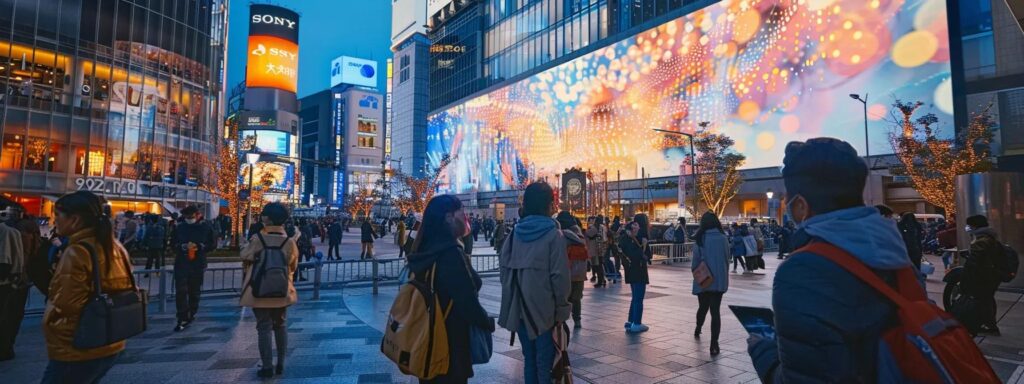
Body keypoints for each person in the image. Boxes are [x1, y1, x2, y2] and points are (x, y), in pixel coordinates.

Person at [747, 138, 914, 382]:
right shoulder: (895, 252)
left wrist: (762, 349)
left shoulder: (803, 270)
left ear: (801, 206)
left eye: (788, 198)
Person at [42, 191, 134, 383]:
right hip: (111, 338)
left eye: (57, 215)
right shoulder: (115, 247)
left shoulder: (78, 251)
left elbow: (66, 304)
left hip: (77, 346)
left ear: (74, 220)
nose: (54, 220)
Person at [407, 195, 494, 384]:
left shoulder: (424, 248)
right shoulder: (450, 253)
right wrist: (487, 322)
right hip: (450, 342)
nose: (465, 216)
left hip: (427, 337)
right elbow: (466, 300)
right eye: (461, 211)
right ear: (448, 217)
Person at [498, 182, 570, 384]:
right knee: (545, 363)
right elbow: (560, 278)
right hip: (545, 312)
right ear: (549, 205)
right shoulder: (554, 235)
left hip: (520, 310)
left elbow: (504, 271)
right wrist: (562, 308)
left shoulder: (514, 233)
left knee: (529, 360)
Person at [240, 203, 299, 378]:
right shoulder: (289, 242)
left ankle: (267, 365)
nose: (262, 217)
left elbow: (245, 255)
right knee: (280, 325)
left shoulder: (258, 239)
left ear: (269, 218)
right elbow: (293, 266)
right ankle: (280, 363)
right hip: (281, 290)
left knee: (263, 327)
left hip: (259, 290)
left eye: (264, 215)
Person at [171, 206, 215, 332]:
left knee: (194, 290)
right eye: (187, 217)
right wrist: (180, 246)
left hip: (198, 262)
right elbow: (172, 243)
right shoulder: (179, 227)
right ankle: (182, 316)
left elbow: (212, 244)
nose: (189, 219)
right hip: (182, 262)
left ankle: (192, 312)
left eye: (191, 217)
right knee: (181, 290)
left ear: (197, 215)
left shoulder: (205, 227)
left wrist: (202, 247)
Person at [691, 211, 730, 356]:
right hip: (718, 280)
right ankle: (714, 344)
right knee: (715, 311)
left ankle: (698, 327)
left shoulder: (700, 239)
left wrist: (696, 271)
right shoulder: (723, 238)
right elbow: (727, 257)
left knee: (703, 306)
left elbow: (695, 262)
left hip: (703, 279)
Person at [963, 215, 1004, 336]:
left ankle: (990, 326)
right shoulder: (990, 236)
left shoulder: (980, 240)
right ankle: (990, 325)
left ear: (975, 225)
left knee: (983, 301)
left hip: (983, 276)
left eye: (969, 225)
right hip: (992, 275)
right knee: (987, 300)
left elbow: (975, 262)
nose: (968, 227)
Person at [0, 201, 28, 361]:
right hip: (14, 280)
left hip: (8, 281)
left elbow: (5, 261)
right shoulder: (14, 231)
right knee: (10, 316)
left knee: (7, 315)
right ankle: (6, 348)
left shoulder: (9, 232)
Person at [557, 211, 588, 329]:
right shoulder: (579, 233)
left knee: (565, 298)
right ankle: (577, 320)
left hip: (567, 271)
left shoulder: (563, 234)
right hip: (580, 272)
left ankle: (562, 321)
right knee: (577, 298)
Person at [620, 214, 651, 333]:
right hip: (639, 269)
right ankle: (637, 323)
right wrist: (644, 248)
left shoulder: (626, 235)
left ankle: (630, 321)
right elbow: (645, 255)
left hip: (630, 269)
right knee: (638, 298)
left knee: (635, 297)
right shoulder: (641, 236)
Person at [585, 215, 607, 287]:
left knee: (596, 266)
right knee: (600, 265)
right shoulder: (603, 227)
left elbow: (587, 234)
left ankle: (600, 281)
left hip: (594, 249)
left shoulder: (594, 228)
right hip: (601, 249)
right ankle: (602, 280)